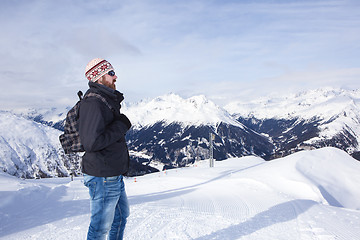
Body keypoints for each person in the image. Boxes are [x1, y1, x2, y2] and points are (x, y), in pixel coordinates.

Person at [79, 58, 132, 240]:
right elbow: (91, 142)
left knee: (120, 217)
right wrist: (122, 125)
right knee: (100, 228)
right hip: (102, 177)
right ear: (99, 77)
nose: (115, 76)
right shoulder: (93, 103)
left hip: (112, 173)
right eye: (110, 73)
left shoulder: (104, 100)